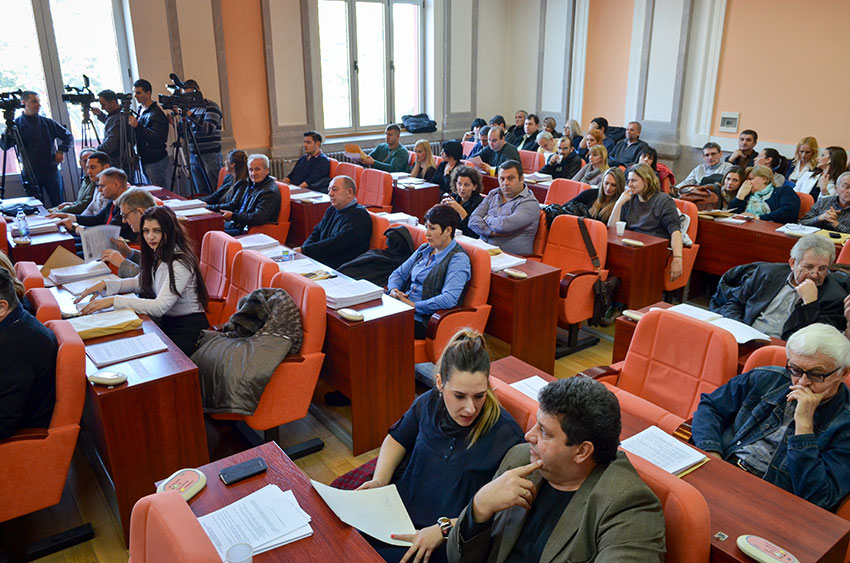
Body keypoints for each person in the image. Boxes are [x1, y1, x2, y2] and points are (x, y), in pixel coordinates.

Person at [446, 376, 666, 562]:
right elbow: (457, 557)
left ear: (582, 451)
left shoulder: (628, 506)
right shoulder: (521, 459)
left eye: (544, 432)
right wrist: (480, 506)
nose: (528, 436)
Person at [358, 329, 525, 563]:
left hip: (445, 541)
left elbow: (502, 513)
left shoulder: (506, 435)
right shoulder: (429, 402)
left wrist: (444, 529)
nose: (470, 408)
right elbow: (397, 439)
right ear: (439, 383)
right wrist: (379, 481)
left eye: (479, 396)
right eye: (459, 396)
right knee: (343, 537)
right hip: (400, 515)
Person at [691, 323, 850, 511]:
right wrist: (712, 453)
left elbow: (819, 497)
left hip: (772, 501)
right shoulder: (766, 378)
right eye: (795, 370)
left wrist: (804, 427)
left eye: (816, 375)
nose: (802, 383)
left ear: (843, 373)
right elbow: (710, 407)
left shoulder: (845, 423)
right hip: (724, 465)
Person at [75, 206, 209, 356]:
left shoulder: (180, 263)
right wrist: (105, 285)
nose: (150, 237)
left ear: (170, 231)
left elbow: (159, 306)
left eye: (157, 231)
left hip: (189, 329)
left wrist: (114, 300)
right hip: (166, 323)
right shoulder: (158, 252)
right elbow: (139, 283)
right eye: (146, 231)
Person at [709, 234, 848, 339]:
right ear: (792, 263)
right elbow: (734, 303)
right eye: (808, 267)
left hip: (785, 351)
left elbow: (816, 340)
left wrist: (810, 303)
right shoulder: (767, 273)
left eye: (822, 269)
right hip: (746, 337)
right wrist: (738, 330)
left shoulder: (834, 297)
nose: (814, 274)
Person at [387, 205, 472, 339]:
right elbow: (398, 273)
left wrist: (414, 305)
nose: (427, 233)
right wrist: (393, 290)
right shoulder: (425, 249)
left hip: (423, 319)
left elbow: (449, 298)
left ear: (448, 231)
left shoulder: (458, 259)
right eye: (426, 227)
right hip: (402, 307)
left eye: (432, 228)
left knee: (378, 329)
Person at [0, 268, 57, 441]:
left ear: (2, 307)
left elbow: (3, 423)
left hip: (19, 437)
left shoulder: (17, 346)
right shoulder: (16, 323)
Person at [608, 163, 683, 282]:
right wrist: (618, 204)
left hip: (651, 252)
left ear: (646, 181)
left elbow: (675, 231)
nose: (629, 184)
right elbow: (612, 230)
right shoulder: (630, 198)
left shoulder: (663, 201)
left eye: (634, 181)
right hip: (631, 248)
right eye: (628, 181)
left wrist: (677, 258)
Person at [0, 91, 73, 207]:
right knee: (36, 206)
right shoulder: (17, 125)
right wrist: (7, 131)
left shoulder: (47, 122)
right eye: (34, 102)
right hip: (30, 172)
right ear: (23, 103)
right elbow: (5, 146)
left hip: (51, 170)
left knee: (58, 204)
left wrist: (61, 150)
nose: (38, 105)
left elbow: (68, 136)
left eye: (39, 102)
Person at [298, 175, 372, 269]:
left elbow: (336, 244)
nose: (330, 194)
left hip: (342, 267)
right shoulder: (332, 209)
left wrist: (305, 250)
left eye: (334, 189)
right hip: (323, 260)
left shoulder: (359, 216)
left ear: (349, 192)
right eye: (329, 190)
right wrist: (304, 250)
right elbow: (316, 232)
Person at [468, 160, 539, 255]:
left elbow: (503, 226)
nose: (505, 183)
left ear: (521, 179)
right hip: (483, 250)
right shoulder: (494, 193)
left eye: (510, 178)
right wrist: (491, 232)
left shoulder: (529, 203)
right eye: (502, 179)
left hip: (512, 257)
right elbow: (472, 220)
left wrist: (486, 218)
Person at [49, 166, 135, 241]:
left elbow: (108, 233)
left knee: (67, 245)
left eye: (102, 186)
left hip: (115, 245)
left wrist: (74, 227)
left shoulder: (127, 204)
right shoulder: (114, 200)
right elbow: (97, 219)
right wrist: (68, 216)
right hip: (104, 240)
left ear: (116, 185)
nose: (99, 190)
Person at [101, 188, 158, 277]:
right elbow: (151, 261)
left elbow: (153, 278)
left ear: (140, 212)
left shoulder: (160, 235)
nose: (123, 221)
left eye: (125, 216)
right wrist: (128, 252)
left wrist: (121, 263)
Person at [219, 154, 281, 236]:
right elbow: (240, 207)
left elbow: (257, 218)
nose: (253, 173)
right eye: (250, 170)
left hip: (252, 231)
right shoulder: (252, 184)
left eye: (257, 169)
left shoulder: (269, 192)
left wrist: (233, 216)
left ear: (267, 170)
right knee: (211, 227)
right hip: (239, 224)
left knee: (215, 233)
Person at [181, 79, 223, 194]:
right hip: (194, 156)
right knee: (201, 193)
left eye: (190, 95)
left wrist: (189, 114)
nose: (188, 98)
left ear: (198, 92)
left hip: (210, 156)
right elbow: (186, 134)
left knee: (215, 191)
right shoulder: (191, 110)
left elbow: (209, 129)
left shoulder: (211, 106)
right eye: (185, 96)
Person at [130, 79, 170, 188]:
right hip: (145, 159)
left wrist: (137, 126)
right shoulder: (141, 109)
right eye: (134, 93)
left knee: (159, 191)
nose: (135, 96)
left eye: (138, 93)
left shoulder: (156, 113)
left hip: (155, 161)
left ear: (148, 93)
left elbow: (158, 139)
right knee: (151, 191)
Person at [727, 165, 800, 223]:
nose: (747, 183)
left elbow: (789, 211)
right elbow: (730, 216)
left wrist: (759, 218)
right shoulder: (746, 194)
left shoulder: (783, 191)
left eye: (750, 179)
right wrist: (739, 197)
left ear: (764, 179)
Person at [442, 165, 484, 238]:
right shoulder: (454, 196)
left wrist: (459, 209)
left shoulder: (480, 203)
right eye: (459, 184)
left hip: (469, 239)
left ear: (474, 187)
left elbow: (474, 232)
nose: (462, 188)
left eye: (466, 185)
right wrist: (442, 209)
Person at [53, 148, 96, 214]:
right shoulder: (86, 179)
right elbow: (82, 201)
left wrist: (59, 212)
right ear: (80, 163)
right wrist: (72, 204)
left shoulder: (96, 181)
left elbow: (86, 205)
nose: (88, 164)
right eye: (85, 161)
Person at [92, 89, 124, 171]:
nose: (102, 108)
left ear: (113, 102)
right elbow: (112, 124)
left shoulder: (119, 118)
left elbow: (110, 144)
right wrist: (100, 115)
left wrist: (94, 151)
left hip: (118, 162)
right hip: (118, 161)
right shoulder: (118, 115)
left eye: (103, 104)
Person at [78, 151, 111, 216]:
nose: (89, 172)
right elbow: (90, 209)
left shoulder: (110, 188)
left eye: (93, 167)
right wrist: (74, 219)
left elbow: (101, 218)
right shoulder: (97, 183)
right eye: (87, 168)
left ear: (106, 168)